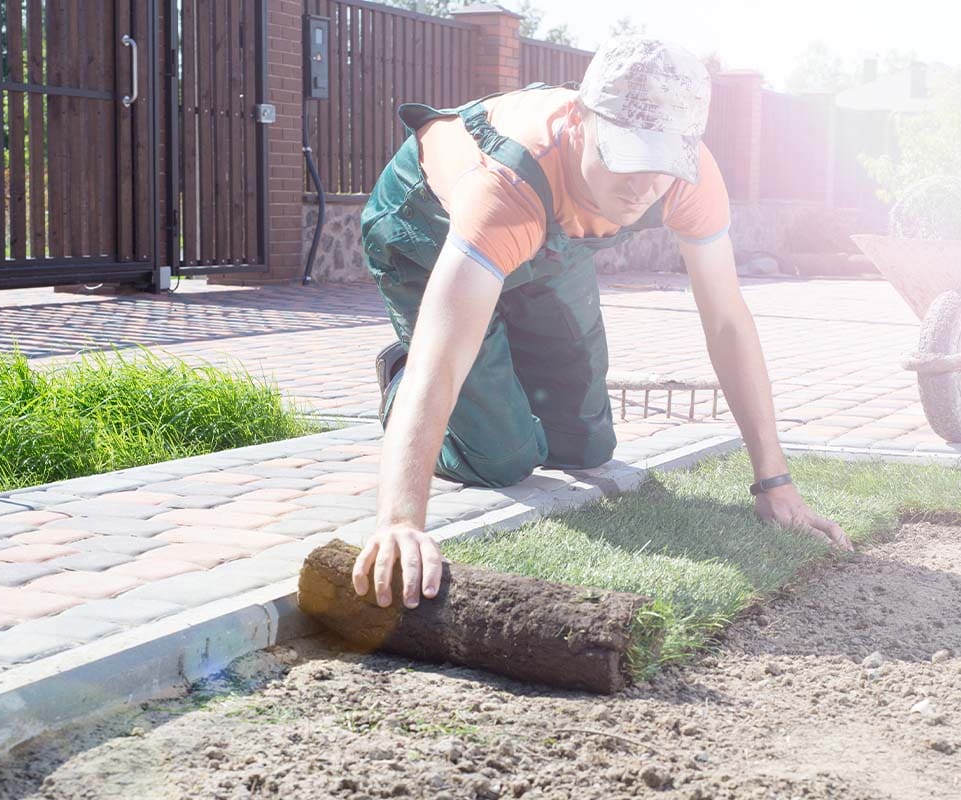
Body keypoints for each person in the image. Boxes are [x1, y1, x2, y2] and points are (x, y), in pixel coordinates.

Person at [353, 36, 852, 609]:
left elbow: (728, 321)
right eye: (628, 153)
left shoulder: (690, 178)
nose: (644, 185)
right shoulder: (503, 187)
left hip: (550, 241)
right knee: (503, 457)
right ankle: (401, 378)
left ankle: (495, 358)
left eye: (662, 163)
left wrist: (775, 482)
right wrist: (400, 520)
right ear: (580, 120)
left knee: (585, 443)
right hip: (427, 228)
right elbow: (440, 363)